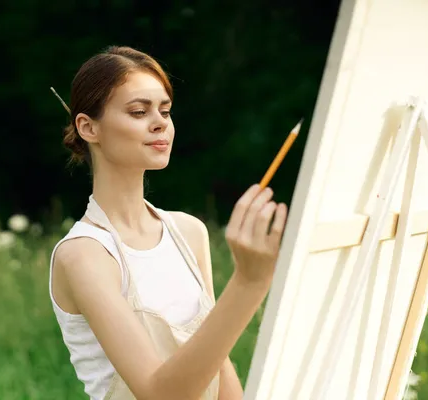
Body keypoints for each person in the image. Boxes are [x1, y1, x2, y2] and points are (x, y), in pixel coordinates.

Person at [49, 45, 288, 400]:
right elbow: (159, 394)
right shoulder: (84, 255)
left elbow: (218, 365)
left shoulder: (188, 232)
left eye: (165, 110)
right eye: (138, 111)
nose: (160, 122)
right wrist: (250, 283)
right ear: (88, 127)